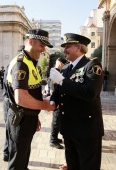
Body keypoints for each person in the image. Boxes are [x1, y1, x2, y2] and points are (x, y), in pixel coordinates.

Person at [50, 33, 104, 170]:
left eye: (67, 47)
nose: (64, 50)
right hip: (69, 128)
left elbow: (90, 93)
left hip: (87, 131)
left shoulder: (92, 65)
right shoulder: (67, 68)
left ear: (78, 47)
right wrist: (52, 101)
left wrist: (62, 80)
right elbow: (59, 91)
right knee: (72, 165)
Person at [6, 29, 55, 170]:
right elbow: (21, 99)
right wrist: (46, 106)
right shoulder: (21, 64)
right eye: (41, 45)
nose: (43, 49)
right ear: (31, 41)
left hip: (27, 117)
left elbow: (31, 94)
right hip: (21, 119)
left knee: (23, 156)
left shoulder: (30, 62)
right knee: (17, 162)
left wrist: (35, 116)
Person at [49, 57, 68, 150]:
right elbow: (52, 89)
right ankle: (53, 140)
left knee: (58, 122)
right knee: (56, 122)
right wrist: (56, 102)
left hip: (60, 101)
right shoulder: (55, 72)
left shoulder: (58, 72)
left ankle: (55, 138)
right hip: (57, 102)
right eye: (63, 64)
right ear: (60, 63)